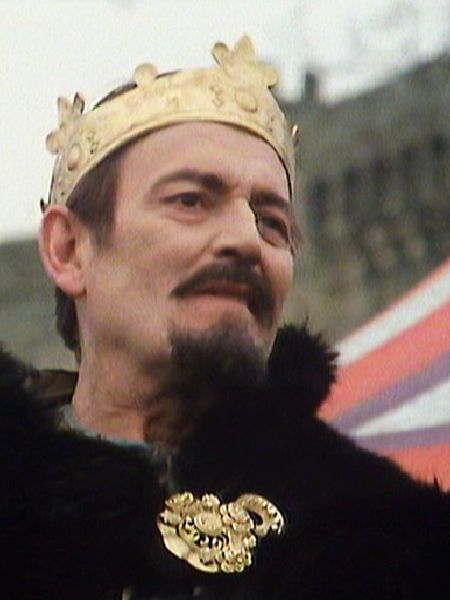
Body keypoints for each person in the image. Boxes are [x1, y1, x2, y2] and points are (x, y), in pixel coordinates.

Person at [1, 36, 450, 600]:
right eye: (190, 201)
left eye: (273, 222)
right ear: (69, 250)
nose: (246, 239)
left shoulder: (397, 540)